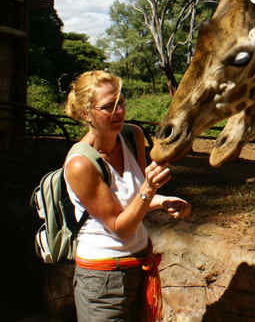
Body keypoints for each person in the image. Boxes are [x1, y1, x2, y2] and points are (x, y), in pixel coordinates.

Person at [63, 70, 191, 321]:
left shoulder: (132, 136)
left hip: (138, 267)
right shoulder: (81, 164)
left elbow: (132, 202)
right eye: (108, 107)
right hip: (102, 281)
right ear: (85, 114)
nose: (118, 112)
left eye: (120, 102)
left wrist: (163, 201)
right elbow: (120, 227)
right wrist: (149, 190)